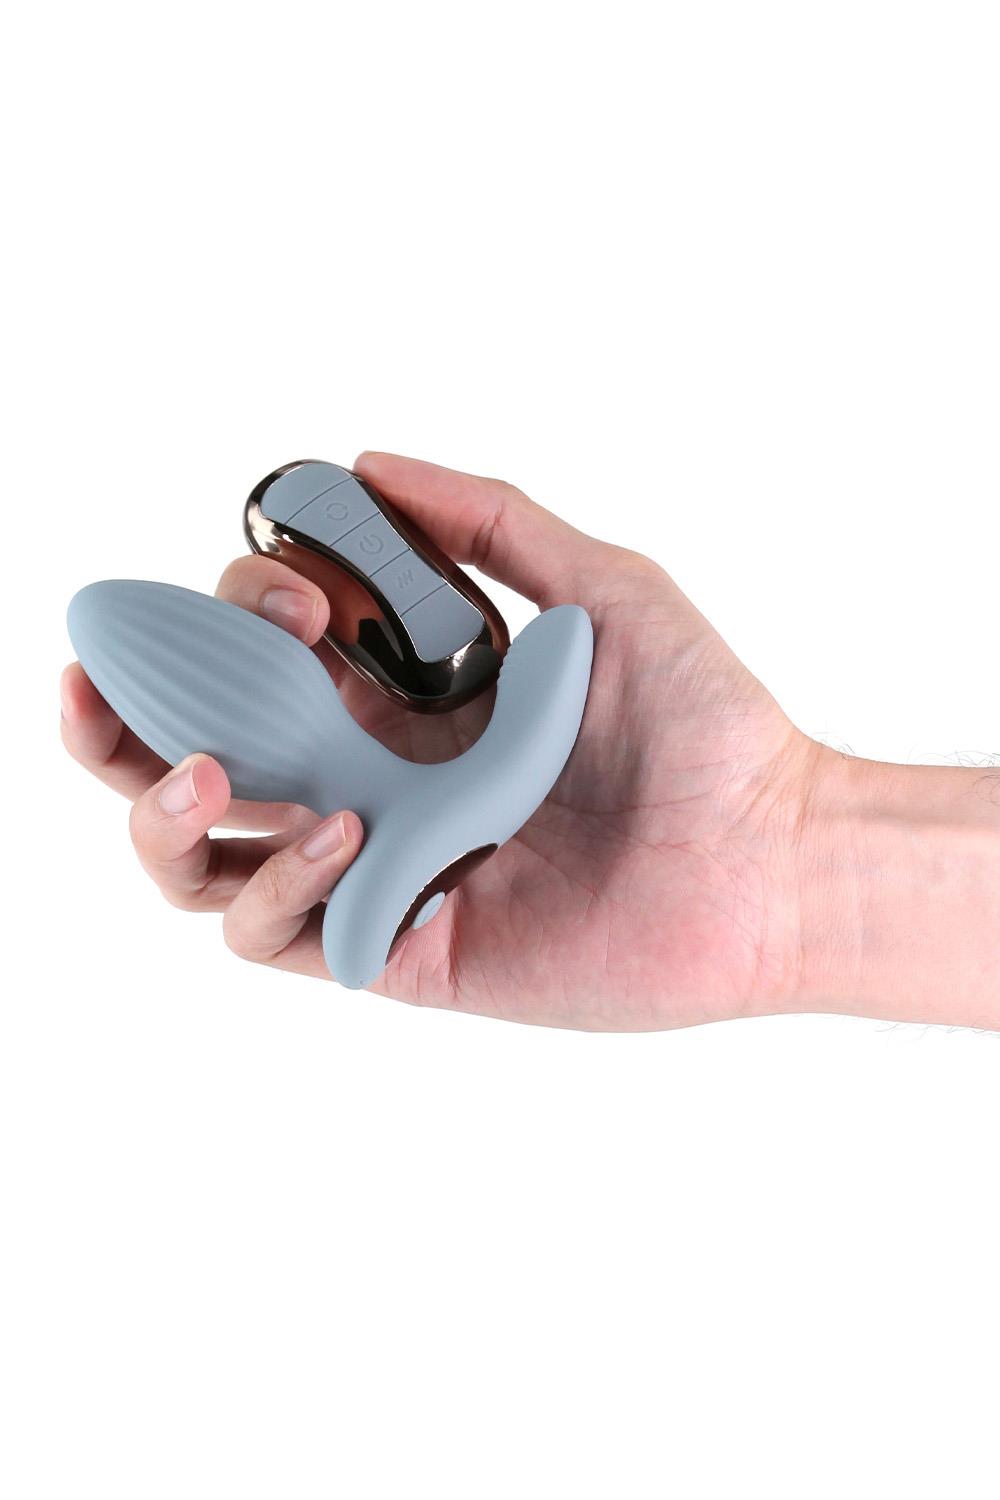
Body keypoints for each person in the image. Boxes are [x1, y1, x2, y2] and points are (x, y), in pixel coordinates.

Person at [60, 453, 1000, 1031]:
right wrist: (783, 860)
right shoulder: (507, 753)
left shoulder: (479, 790)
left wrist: (784, 839)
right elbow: (562, 642)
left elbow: (356, 952)